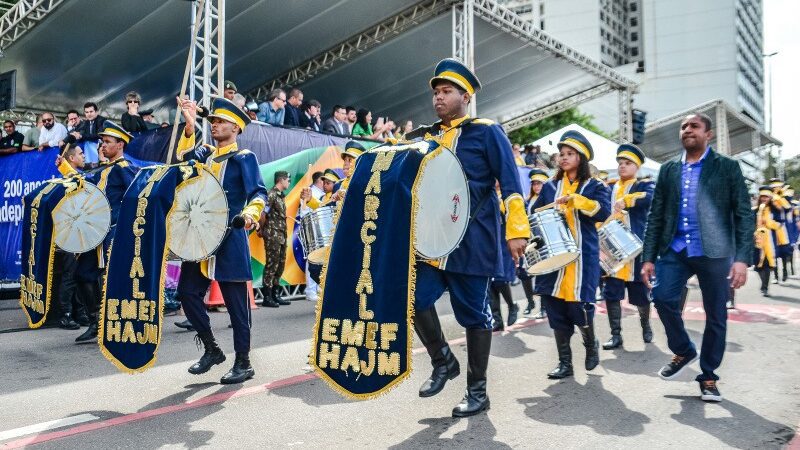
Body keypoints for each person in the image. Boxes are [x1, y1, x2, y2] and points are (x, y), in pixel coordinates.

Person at [413, 59, 528, 418]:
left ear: (466, 95)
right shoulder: (426, 137)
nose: (439, 98)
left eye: (446, 91)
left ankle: (478, 392)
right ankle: (443, 360)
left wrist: (517, 231)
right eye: (436, 92)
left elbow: (510, 182)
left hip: (472, 239)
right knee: (410, 296)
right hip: (431, 242)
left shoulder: (487, 131)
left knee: (474, 316)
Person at [641, 113, 752, 402]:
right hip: (675, 250)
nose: (687, 130)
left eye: (694, 126)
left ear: (708, 134)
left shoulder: (727, 167)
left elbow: (743, 213)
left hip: (715, 253)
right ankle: (684, 349)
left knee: (716, 314)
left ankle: (709, 376)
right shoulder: (668, 170)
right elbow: (655, 215)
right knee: (663, 298)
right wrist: (648, 256)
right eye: (683, 126)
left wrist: (741, 258)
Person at [176, 96, 268, 384]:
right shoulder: (204, 154)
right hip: (200, 237)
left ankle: (244, 361)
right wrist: (191, 125)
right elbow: (182, 162)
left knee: (236, 303)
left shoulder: (244, 157)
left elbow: (258, 193)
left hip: (230, 235)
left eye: (221, 121)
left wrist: (250, 216)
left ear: (236, 127)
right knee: (188, 293)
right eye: (213, 121)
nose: (214, 125)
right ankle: (212, 349)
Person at [531, 130, 611, 380]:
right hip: (554, 258)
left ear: (582, 158)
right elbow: (536, 213)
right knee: (555, 308)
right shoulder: (551, 186)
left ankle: (590, 345)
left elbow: (603, 212)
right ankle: (565, 362)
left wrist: (577, 200)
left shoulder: (595, 186)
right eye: (561, 154)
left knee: (579, 306)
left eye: (570, 154)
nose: (563, 158)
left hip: (581, 258)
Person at [56, 121, 139, 343]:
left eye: (108, 142)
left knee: (117, 279)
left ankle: (122, 324)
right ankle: (96, 321)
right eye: (102, 141)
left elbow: (137, 199)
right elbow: (84, 184)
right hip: (97, 235)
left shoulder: (124, 169)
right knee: (83, 274)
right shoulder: (105, 169)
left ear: (120, 144)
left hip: (115, 233)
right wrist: (65, 168)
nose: (102, 145)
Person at [600, 144, 655, 350]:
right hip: (613, 250)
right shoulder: (610, 187)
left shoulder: (644, 186)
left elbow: (649, 198)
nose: (622, 167)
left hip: (635, 250)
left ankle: (646, 326)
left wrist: (627, 200)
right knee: (611, 293)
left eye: (628, 163)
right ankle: (616, 335)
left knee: (640, 293)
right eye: (620, 163)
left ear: (637, 167)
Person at [52, 146, 87, 330]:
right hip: (70, 236)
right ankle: (65, 314)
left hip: (79, 235)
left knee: (79, 276)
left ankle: (80, 312)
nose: (84, 157)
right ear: (72, 158)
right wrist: (64, 167)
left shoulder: (74, 177)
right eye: (81, 154)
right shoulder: (69, 181)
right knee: (70, 276)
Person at [258, 171, 292, 308]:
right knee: (271, 265)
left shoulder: (280, 196)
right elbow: (262, 213)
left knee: (280, 264)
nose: (289, 182)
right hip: (272, 235)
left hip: (281, 235)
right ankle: (267, 296)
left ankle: (275, 295)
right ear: (281, 180)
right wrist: (261, 229)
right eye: (288, 180)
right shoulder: (271, 194)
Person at [520, 168, 548, 317]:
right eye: (534, 184)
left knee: (542, 273)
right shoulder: (527, 200)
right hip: (529, 240)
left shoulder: (548, 198)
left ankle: (544, 308)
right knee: (523, 273)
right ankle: (530, 302)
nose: (537, 186)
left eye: (540, 183)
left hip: (543, 241)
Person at [753, 186, 781, 296]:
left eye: (767, 197)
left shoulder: (775, 210)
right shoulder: (755, 210)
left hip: (770, 241)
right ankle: (763, 284)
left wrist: (769, 223)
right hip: (757, 240)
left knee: (767, 265)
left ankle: (765, 287)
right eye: (762, 197)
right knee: (758, 265)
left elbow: (780, 223)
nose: (764, 199)